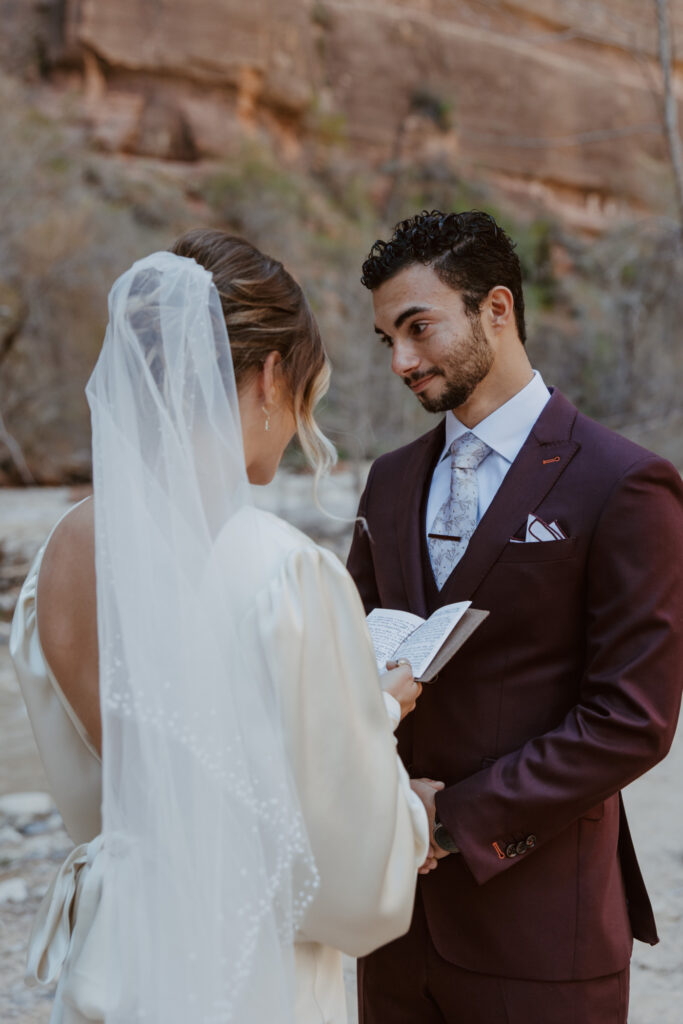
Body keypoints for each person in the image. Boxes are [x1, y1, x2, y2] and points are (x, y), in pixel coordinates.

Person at [10, 230, 431, 1024]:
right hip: (240, 979)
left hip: (112, 967)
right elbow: (347, 887)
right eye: (309, 388)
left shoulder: (62, 552)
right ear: (272, 375)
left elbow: (155, 770)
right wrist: (400, 777)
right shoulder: (281, 569)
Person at [347, 209, 683, 1024]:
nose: (400, 359)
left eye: (418, 327)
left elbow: (629, 720)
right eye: (387, 336)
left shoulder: (623, 483)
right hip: (389, 929)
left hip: (539, 928)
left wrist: (450, 821)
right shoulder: (388, 482)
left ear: (495, 308)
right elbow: (348, 662)